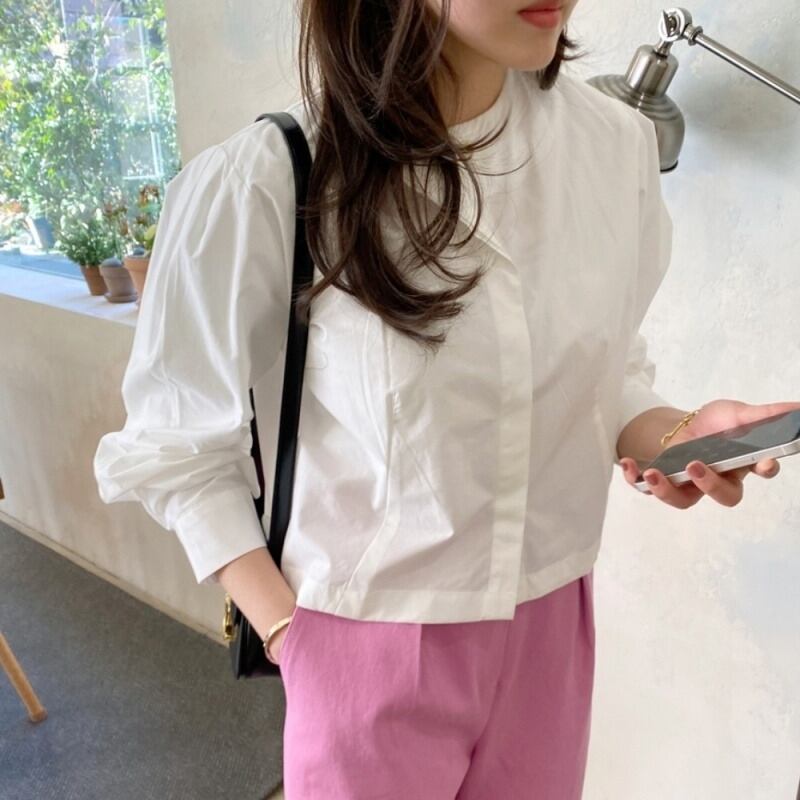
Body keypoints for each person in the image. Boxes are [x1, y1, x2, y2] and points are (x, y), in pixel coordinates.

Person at [92, 1, 797, 797]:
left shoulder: (615, 147)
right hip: (365, 640)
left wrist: (680, 434)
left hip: (552, 626)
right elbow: (178, 444)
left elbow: (607, 375)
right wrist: (292, 636)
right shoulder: (275, 175)